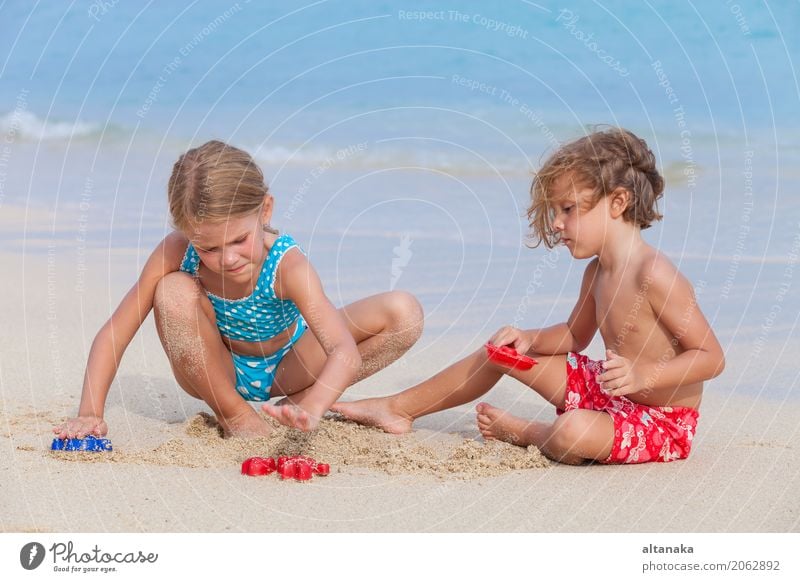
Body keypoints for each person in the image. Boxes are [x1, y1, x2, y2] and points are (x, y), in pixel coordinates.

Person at [333, 128, 725, 464]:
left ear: (618, 202)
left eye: (568, 209)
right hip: (609, 393)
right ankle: (398, 409)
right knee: (501, 351)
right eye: (556, 210)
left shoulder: (653, 273)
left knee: (573, 430)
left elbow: (711, 357)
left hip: (661, 419)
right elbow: (575, 335)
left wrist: (644, 375)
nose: (556, 223)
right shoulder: (597, 272)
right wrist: (529, 339)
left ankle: (526, 431)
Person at [54, 140, 423, 439]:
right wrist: (89, 412)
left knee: (403, 313)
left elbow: (343, 350)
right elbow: (116, 332)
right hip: (215, 369)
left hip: (288, 363)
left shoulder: (287, 266)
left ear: (265, 211)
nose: (227, 259)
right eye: (209, 248)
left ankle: (297, 401)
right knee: (171, 291)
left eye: (240, 240)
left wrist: (314, 409)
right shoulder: (176, 251)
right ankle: (233, 414)